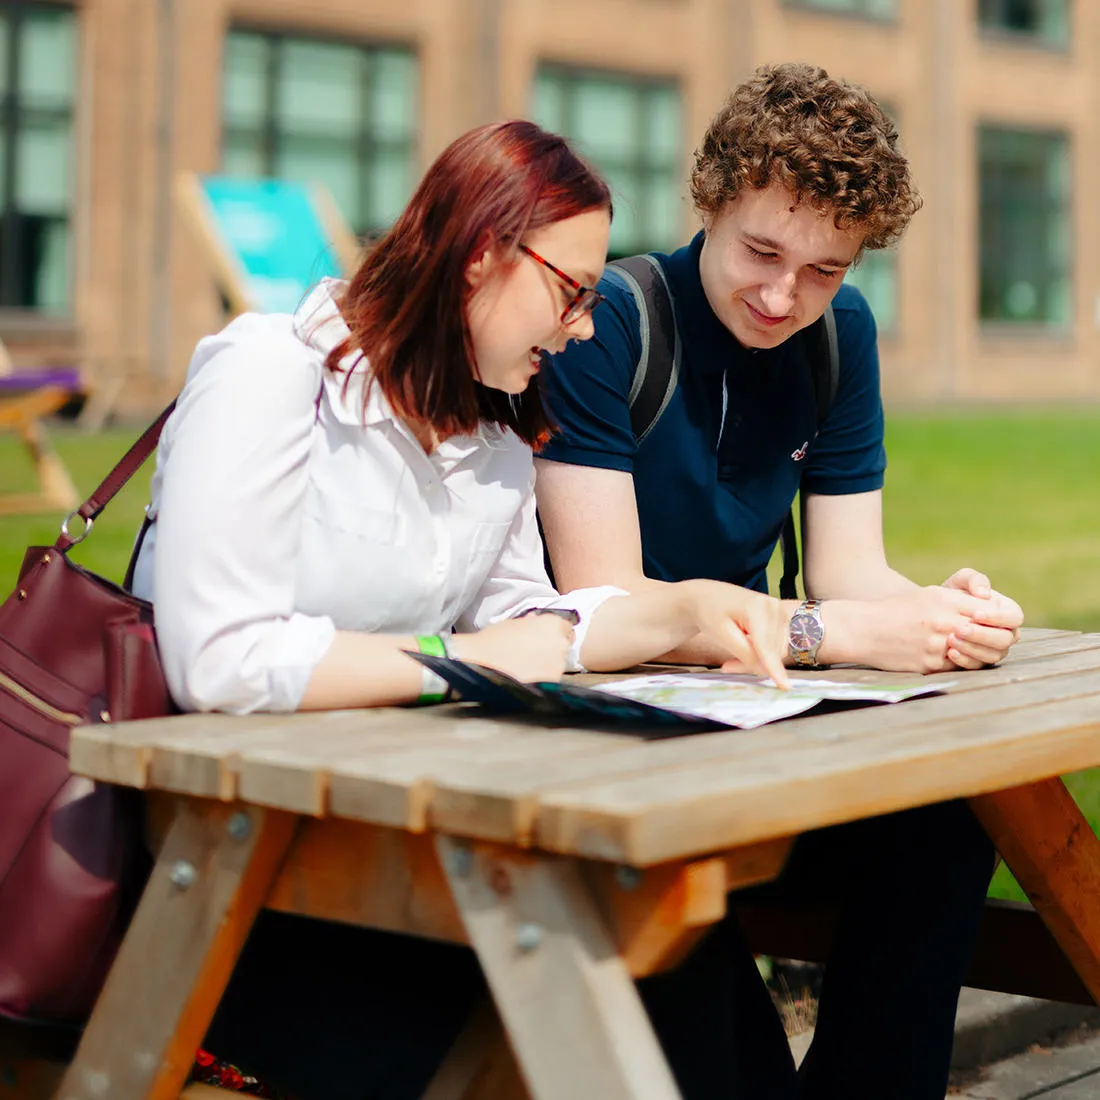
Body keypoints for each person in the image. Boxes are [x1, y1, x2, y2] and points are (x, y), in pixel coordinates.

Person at [131, 119, 792, 1100]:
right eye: (571, 295)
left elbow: (536, 621)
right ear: (482, 253)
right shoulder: (271, 373)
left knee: (685, 943)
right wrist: (461, 657)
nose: (578, 330)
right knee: (633, 976)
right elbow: (219, 659)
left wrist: (678, 614)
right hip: (230, 887)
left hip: (392, 854)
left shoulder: (491, 438)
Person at [534, 64, 1023, 1099]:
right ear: (709, 202)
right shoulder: (607, 323)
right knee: (669, 882)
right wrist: (842, 636)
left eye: (823, 271)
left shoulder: (835, 342)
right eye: (761, 251)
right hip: (603, 741)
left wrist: (943, 609)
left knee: (940, 831)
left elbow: (848, 570)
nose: (780, 296)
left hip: (745, 729)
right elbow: (603, 601)